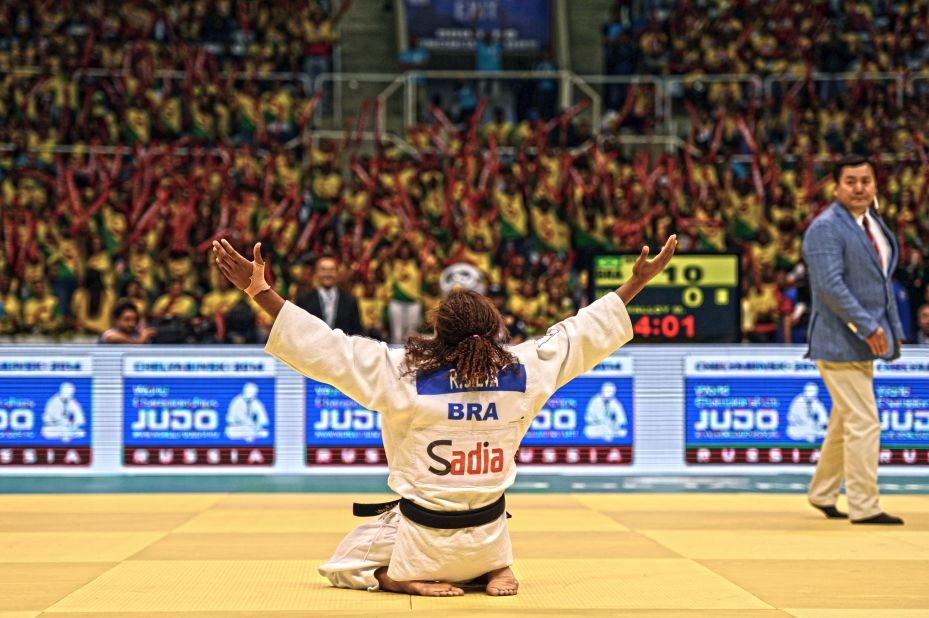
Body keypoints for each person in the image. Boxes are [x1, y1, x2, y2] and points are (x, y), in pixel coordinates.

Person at [211, 233, 676, 597]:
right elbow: (582, 331)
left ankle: (399, 579)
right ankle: (496, 566)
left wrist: (260, 290)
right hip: (490, 534)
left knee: (345, 560)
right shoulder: (526, 370)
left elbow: (327, 346)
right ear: (494, 330)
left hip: (423, 541)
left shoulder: (402, 373)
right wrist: (637, 281)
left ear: (436, 331)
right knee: (482, 517)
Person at [802, 154, 905, 525]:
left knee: (846, 421)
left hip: (862, 339)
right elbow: (830, 286)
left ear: (875, 185)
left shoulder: (871, 223)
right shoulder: (825, 227)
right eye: (851, 181)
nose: (859, 188)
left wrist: (892, 330)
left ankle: (823, 492)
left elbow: (881, 285)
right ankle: (864, 505)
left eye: (866, 180)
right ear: (836, 186)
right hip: (838, 338)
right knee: (865, 422)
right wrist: (869, 327)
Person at [295, 256, 363, 335]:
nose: (327, 274)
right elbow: (299, 331)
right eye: (323, 270)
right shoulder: (303, 300)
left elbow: (357, 333)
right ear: (316, 273)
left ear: (338, 273)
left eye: (331, 270)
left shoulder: (350, 302)